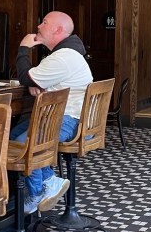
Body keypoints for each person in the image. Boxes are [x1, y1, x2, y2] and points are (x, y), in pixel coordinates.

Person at [13, 11, 92, 213]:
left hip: (69, 120)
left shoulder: (63, 57)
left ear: (58, 30)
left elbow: (26, 77)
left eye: (45, 23)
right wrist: (36, 82)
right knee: (12, 136)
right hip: (62, 116)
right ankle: (48, 181)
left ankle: (38, 191)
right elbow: (33, 79)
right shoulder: (66, 54)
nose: (39, 26)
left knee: (24, 143)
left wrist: (23, 48)